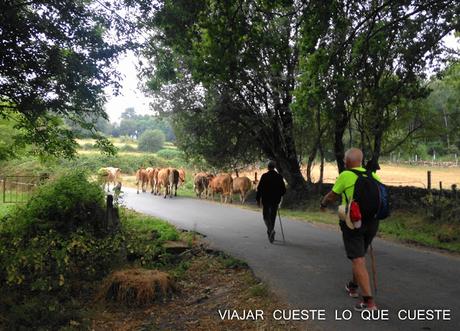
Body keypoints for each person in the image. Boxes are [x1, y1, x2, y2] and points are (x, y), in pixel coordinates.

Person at [320, 148, 381, 311]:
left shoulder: (345, 175)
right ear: (360, 161)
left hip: (353, 221)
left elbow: (333, 195)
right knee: (359, 255)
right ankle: (353, 285)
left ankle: (368, 302)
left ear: (346, 162)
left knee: (358, 259)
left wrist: (323, 203)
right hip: (373, 222)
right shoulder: (373, 175)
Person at [256, 160, 286, 243]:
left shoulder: (264, 176)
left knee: (266, 216)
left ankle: (270, 230)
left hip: (266, 200)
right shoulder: (279, 177)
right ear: (274, 167)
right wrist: (279, 196)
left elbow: (260, 189)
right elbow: (283, 190)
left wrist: (258, 199)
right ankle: (271, 232)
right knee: (272, 217)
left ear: (268, 167)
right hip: (275, 200)